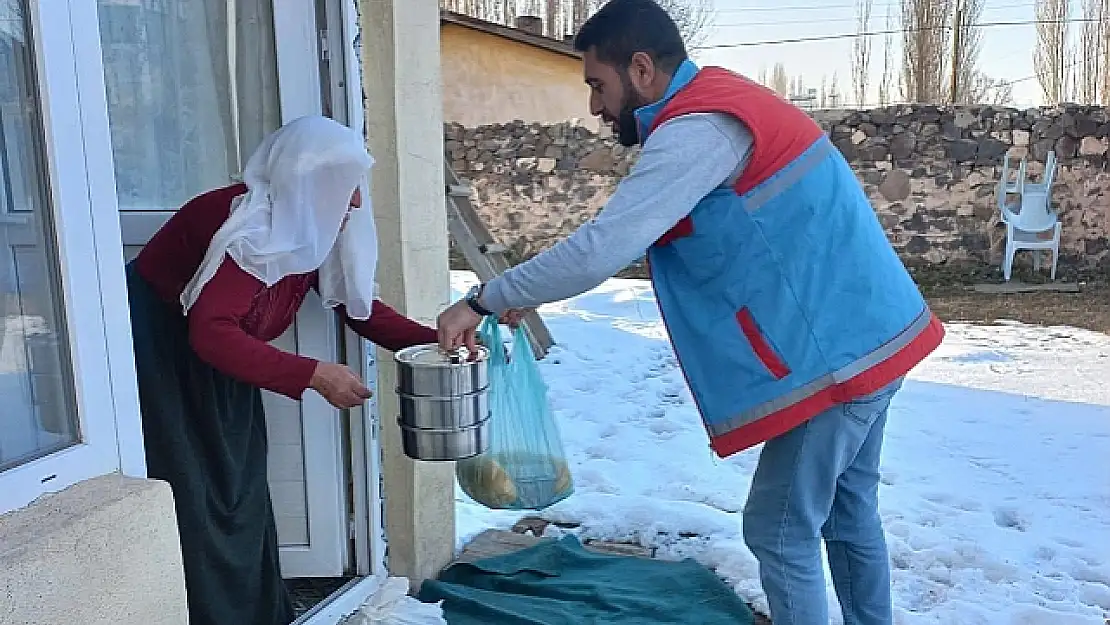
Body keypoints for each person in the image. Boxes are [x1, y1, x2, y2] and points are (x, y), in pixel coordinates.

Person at [436, 1, 946, 623]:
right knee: (847, 510)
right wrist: (525, 293)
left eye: (598, 84)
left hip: (835, 355)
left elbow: (603, 245)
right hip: (872, 331)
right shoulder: (725, 101)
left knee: (779, 532)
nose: (596, 107)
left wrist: (486, 297)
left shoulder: (699, 128)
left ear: (642, 68)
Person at [127, 115, 438, 625]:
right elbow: (209, 332)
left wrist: (434, 341)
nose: (356, 202)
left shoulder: (305, 222)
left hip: (224, 356)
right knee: (199, 497)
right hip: (165, 361)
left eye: (356, 186)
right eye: (344, 187)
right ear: (307, 183)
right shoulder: (249, 229)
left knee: (240, 488)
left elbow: (357, 309)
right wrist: (314, 374)